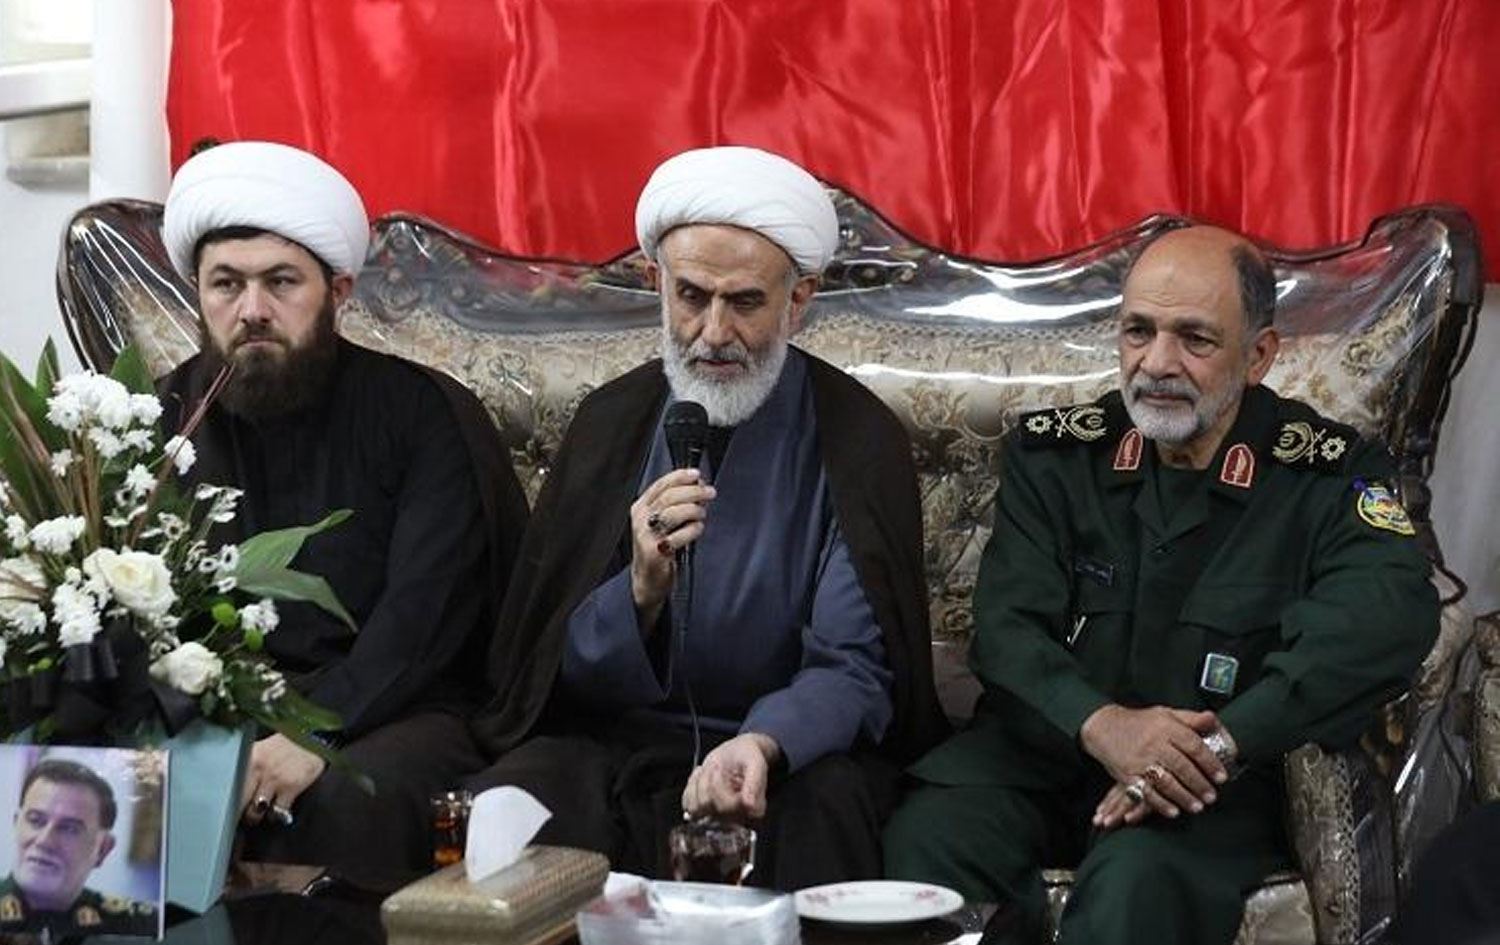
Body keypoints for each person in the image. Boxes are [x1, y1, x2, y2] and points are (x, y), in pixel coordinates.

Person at [883, 226, 1439, 944]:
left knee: (1135, 886)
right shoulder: (1058, 457)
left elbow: (1387, 618)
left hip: (1206, 791)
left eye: (1195, 339)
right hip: (1043, 757)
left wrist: (1220, 745)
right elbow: (1006, 629)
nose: (1156, 363)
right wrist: (1104, 725)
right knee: (928, 844)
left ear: (1259, 355)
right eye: (1138, 331)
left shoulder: (1326, 473)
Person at [467, 145, 947, 889]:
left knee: (827, 815)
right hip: (617, 741)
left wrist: (765, 742)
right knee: (519, 802)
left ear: (798, 300)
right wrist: (639, 592)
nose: (714, 332)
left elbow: (854, 666)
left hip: (786, 755)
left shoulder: (856, 438)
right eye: (692, 296)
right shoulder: (610, 423)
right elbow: (545, 666)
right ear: (656, 283)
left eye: (745, 302)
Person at [157, 141, 528, 876]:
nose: (253, 310)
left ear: (339, 291)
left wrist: (314, 736)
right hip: (216, 711)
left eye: (281, 282)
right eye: (226, 284)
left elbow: (422, 625)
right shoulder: (160, 420)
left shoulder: (421, 415)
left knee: (338, 802)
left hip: (396, 707)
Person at [0, 759, 157, 937]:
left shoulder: (141, 926)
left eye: (69, 828)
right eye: (35, 820)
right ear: (16, 825)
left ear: (103, 849)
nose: (44, 841)